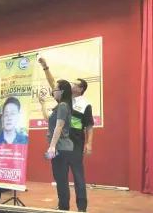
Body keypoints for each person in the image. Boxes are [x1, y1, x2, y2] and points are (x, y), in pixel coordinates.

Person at [39, 57, 94, 212]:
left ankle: (81, 207)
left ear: (81, 89)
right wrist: (45, 67)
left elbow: (89, 125)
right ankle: (63, 205)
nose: (71, 85)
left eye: (74, 84)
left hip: (76, 144)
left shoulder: (85, 105)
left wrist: (89, 143)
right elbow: (53, 85)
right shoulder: (64, 100)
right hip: (61, 144)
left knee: (78, 176)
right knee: (60, 177)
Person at [38, 79, 74, 211]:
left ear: (62, 91)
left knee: (61, 179)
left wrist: (52, 146)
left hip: (61, 147)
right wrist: (42, 104)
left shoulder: (63, 106)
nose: (53, 91)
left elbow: (59, 127)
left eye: (56, 89)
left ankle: (64, 207)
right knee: (59, 178)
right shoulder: (59, 106)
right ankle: (62, 205)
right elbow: (49, 120)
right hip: (58, 147)